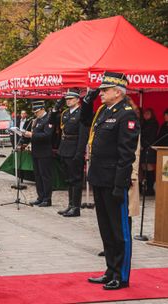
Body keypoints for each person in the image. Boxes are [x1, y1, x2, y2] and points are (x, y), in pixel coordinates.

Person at [80, 72, 139, 290]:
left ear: (118, 92)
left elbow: (126, 154)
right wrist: (87, 101)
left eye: (105, 90)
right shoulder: (103, 111)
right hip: (99, 178)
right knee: (106, 229)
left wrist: (120, 184)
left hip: (115, 181)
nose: (101, 93)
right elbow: (85, 121)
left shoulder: (126, 115)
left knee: (119, 231)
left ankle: (121, 276)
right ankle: (110, 270)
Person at [50, 89, 89, 217]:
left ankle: (76, 207)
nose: (68, 101)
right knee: (69, 180)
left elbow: (83, 136)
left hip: (75, 149)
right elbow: (51, 122)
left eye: (71, 99)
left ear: (78, 99)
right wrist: (56, 108)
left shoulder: (82, 113)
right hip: (65, 149)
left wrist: (79, 153)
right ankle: (70, 205)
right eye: (67, 99)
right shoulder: (65, 113)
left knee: (76, 180)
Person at [23, 100, 54, 207]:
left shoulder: (48, 119)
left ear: (42, 109)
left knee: (45, 176)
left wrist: (31, 135)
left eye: (36, 111)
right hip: (36, 151)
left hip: (45, 152)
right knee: (38, 176)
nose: (35, 113)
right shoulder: (37, 120)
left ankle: (47, 198)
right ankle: (40, 197)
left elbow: (47, 135)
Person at [139, 108, 158, 196]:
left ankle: (150, 188)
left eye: (148, 113)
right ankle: (146, 187)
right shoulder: (143, 123)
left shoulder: (154, 123)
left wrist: (144, 145)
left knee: (149, 167)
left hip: (149, 147)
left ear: (151, 114)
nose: (145, 115)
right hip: (143, 147)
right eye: (145, 113)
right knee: (143, 167)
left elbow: (152, 137)